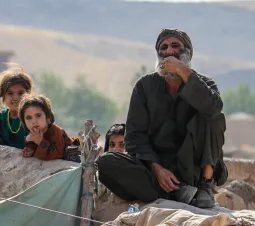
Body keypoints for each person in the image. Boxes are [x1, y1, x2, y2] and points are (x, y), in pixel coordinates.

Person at [96, 28, 228, 208]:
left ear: (188, 52)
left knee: (214, 115)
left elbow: (213, 109)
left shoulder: (205, 84)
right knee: (106, 162)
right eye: (163, 47)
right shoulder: (145, 86)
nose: (169, 51)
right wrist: (156, 169)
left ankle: (203, 187)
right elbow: (134, 137)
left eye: (175, 46)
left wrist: (183, 71)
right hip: (154, 170)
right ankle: (174, 192)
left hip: (193, 169)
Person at [0, 63, 34, 149]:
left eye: (21, 93)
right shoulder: (1, 117)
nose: (15, 98)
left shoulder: (32, 117)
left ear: (29, 94)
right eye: (10, 93)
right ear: (3, 96)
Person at [19, 94, 81, 162]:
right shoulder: (32, 135)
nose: (34, 121)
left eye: (38, 115)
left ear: (48, 118)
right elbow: (35, 149)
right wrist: (31, 149)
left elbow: (56, 156)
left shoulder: (57, 132)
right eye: (29, 118)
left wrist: (41, 142)